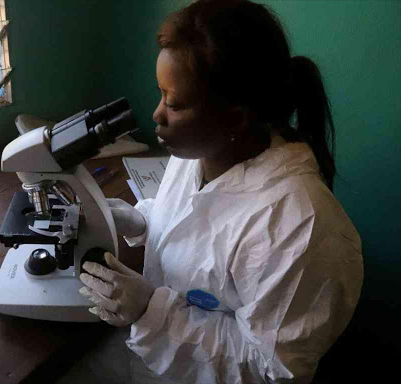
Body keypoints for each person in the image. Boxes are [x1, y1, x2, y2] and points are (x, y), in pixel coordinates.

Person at [79, 0, 363, 383]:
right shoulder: (201, 151)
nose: (156, 115)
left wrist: (151, 313)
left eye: (174, 103)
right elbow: (192, 226)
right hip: (152, 357)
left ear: (235, 116)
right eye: (161, 93)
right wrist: (140, 220)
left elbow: (272, 369)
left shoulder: (302, 228)